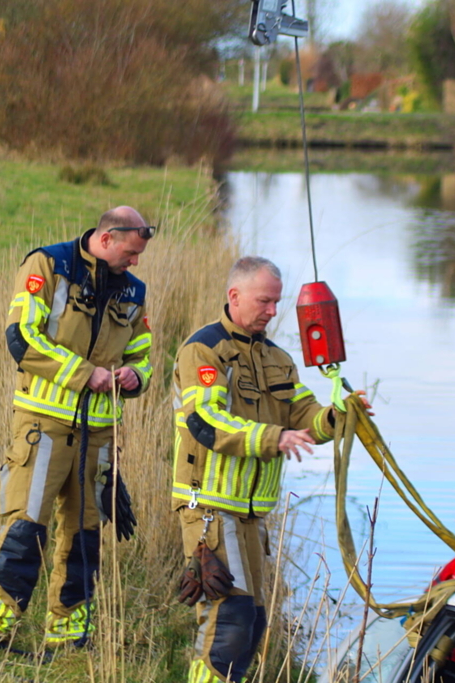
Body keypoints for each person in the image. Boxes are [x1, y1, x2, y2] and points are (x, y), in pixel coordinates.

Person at [173, 256, 365, 683]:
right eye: (265, 301)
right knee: (230, 621)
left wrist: (338, 416)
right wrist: (272, 438)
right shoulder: (202, 350)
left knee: (253, 624)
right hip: (210, 509)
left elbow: (304, 415)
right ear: (234, 296)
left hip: (254, 516)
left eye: (277, 302)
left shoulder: (278, 358)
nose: (274, 311)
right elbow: (206, 422)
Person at [0, 206, 153, 648]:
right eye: (130, 253)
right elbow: (21, 337)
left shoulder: (133, 290)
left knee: (85, 536)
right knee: (25, 528)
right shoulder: (48, 266)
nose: (135, 262)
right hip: (44, 424)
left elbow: (143, 352)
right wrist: (82, 373)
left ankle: (68, 636)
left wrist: (135, 376)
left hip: (101, 434)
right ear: (107, 238)